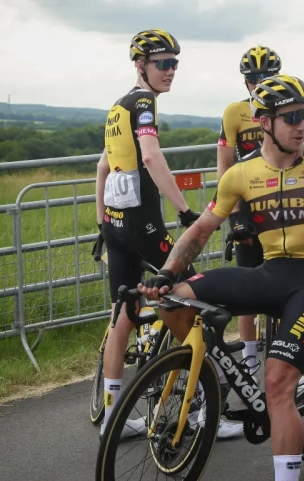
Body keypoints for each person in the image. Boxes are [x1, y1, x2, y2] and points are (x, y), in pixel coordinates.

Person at [139, 74, 304, 481]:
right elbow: (201, 230)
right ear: (263, 122)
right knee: (175, 302)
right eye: (292, 116)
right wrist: (166, 273)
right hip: (271, 273)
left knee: (277, 384)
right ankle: (211, 384)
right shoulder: (241, 174)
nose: (302, 124)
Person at [94, 29, 200, 438]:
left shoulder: (117, 106)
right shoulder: (142, 103)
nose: (171, 70)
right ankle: (198, 405)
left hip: (117, 226)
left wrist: (103, 221)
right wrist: (186, 210)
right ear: (141, 66)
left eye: (175, 63)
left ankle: (113, 417)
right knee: (194, 293)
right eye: (162, 63)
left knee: (124, 313)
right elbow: (152, 156)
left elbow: (103, 167)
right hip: (143, 225)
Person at [217, 45, 304, 402]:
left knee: (286, 292)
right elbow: (226, 166)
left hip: (282, 210)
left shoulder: (290, 112)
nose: (259, 83)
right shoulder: (234, 113)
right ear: (245, 81)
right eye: (253, 78)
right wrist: (232, 215)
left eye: (267, 77)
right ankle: (247, 363)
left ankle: (292, 365)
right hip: (249, 210)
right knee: (248, 292)